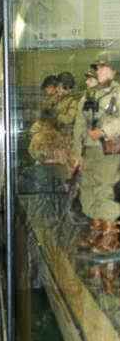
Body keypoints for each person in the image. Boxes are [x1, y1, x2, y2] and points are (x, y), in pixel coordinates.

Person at [73, 57, 120, 256]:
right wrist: (76, 153)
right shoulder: (89, 94)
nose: (99, 71)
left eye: (103, 68)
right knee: (88, 190)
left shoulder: (117, 93)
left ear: (114, 71)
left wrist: (103, 131)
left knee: (105, 189)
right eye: (98, 68)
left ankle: (110, 237)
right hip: (89, 150)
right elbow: (79, 125)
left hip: (109, 150)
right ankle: (97, 229)